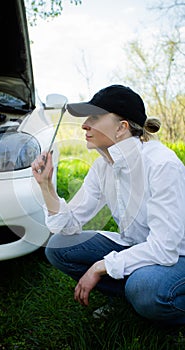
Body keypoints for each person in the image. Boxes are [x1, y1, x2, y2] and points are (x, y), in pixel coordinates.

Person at [31, 84, 185, 325]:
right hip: (137, 246)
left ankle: (148, 300)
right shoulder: (103, 167)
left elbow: (165, 248)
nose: (84, 125)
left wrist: (101, 266)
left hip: (177, 255)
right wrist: (46, 186)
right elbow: (67, 227)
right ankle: (130, 301)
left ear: (122, 127)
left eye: (94, 117)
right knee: (59, 247)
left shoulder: (161, 164)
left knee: (143, 286)